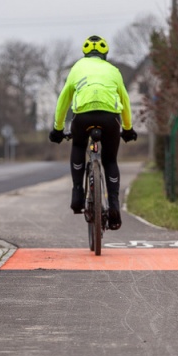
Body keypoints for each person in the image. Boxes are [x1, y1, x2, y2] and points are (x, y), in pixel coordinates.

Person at [49, 35, 137, 230]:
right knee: (110, 161)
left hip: (83, 117)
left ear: (85, 54)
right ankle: (114, 205)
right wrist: (128, 129)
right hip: (110, 118)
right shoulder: (114, 70)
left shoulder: (77, 68)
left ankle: (77, 193)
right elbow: (125, 101)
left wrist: (57, 128)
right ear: (105, 54)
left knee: (79, 145)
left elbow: (63, 100)